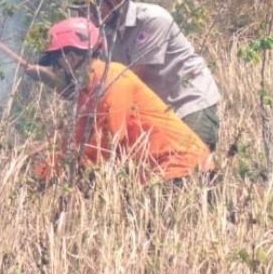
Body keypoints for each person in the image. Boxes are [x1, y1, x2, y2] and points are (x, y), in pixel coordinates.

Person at [38, 18, 213, 181]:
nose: (56, 69)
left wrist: (64, 169)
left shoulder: (111, 77)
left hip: (182, 169)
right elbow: (75, 140)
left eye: (56, 61)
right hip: (158, 173)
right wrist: (42, 167)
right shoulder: (88, 90)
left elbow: (108, 141)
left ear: (71, 57)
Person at [83, 0, 222, 150]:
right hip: (159, 110)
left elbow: (132, 79)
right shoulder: (105, 33)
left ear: (115, 0)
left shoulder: (152, 20)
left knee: (193, 164)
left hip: (188, 102)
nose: (89, 11)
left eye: (93, 4)